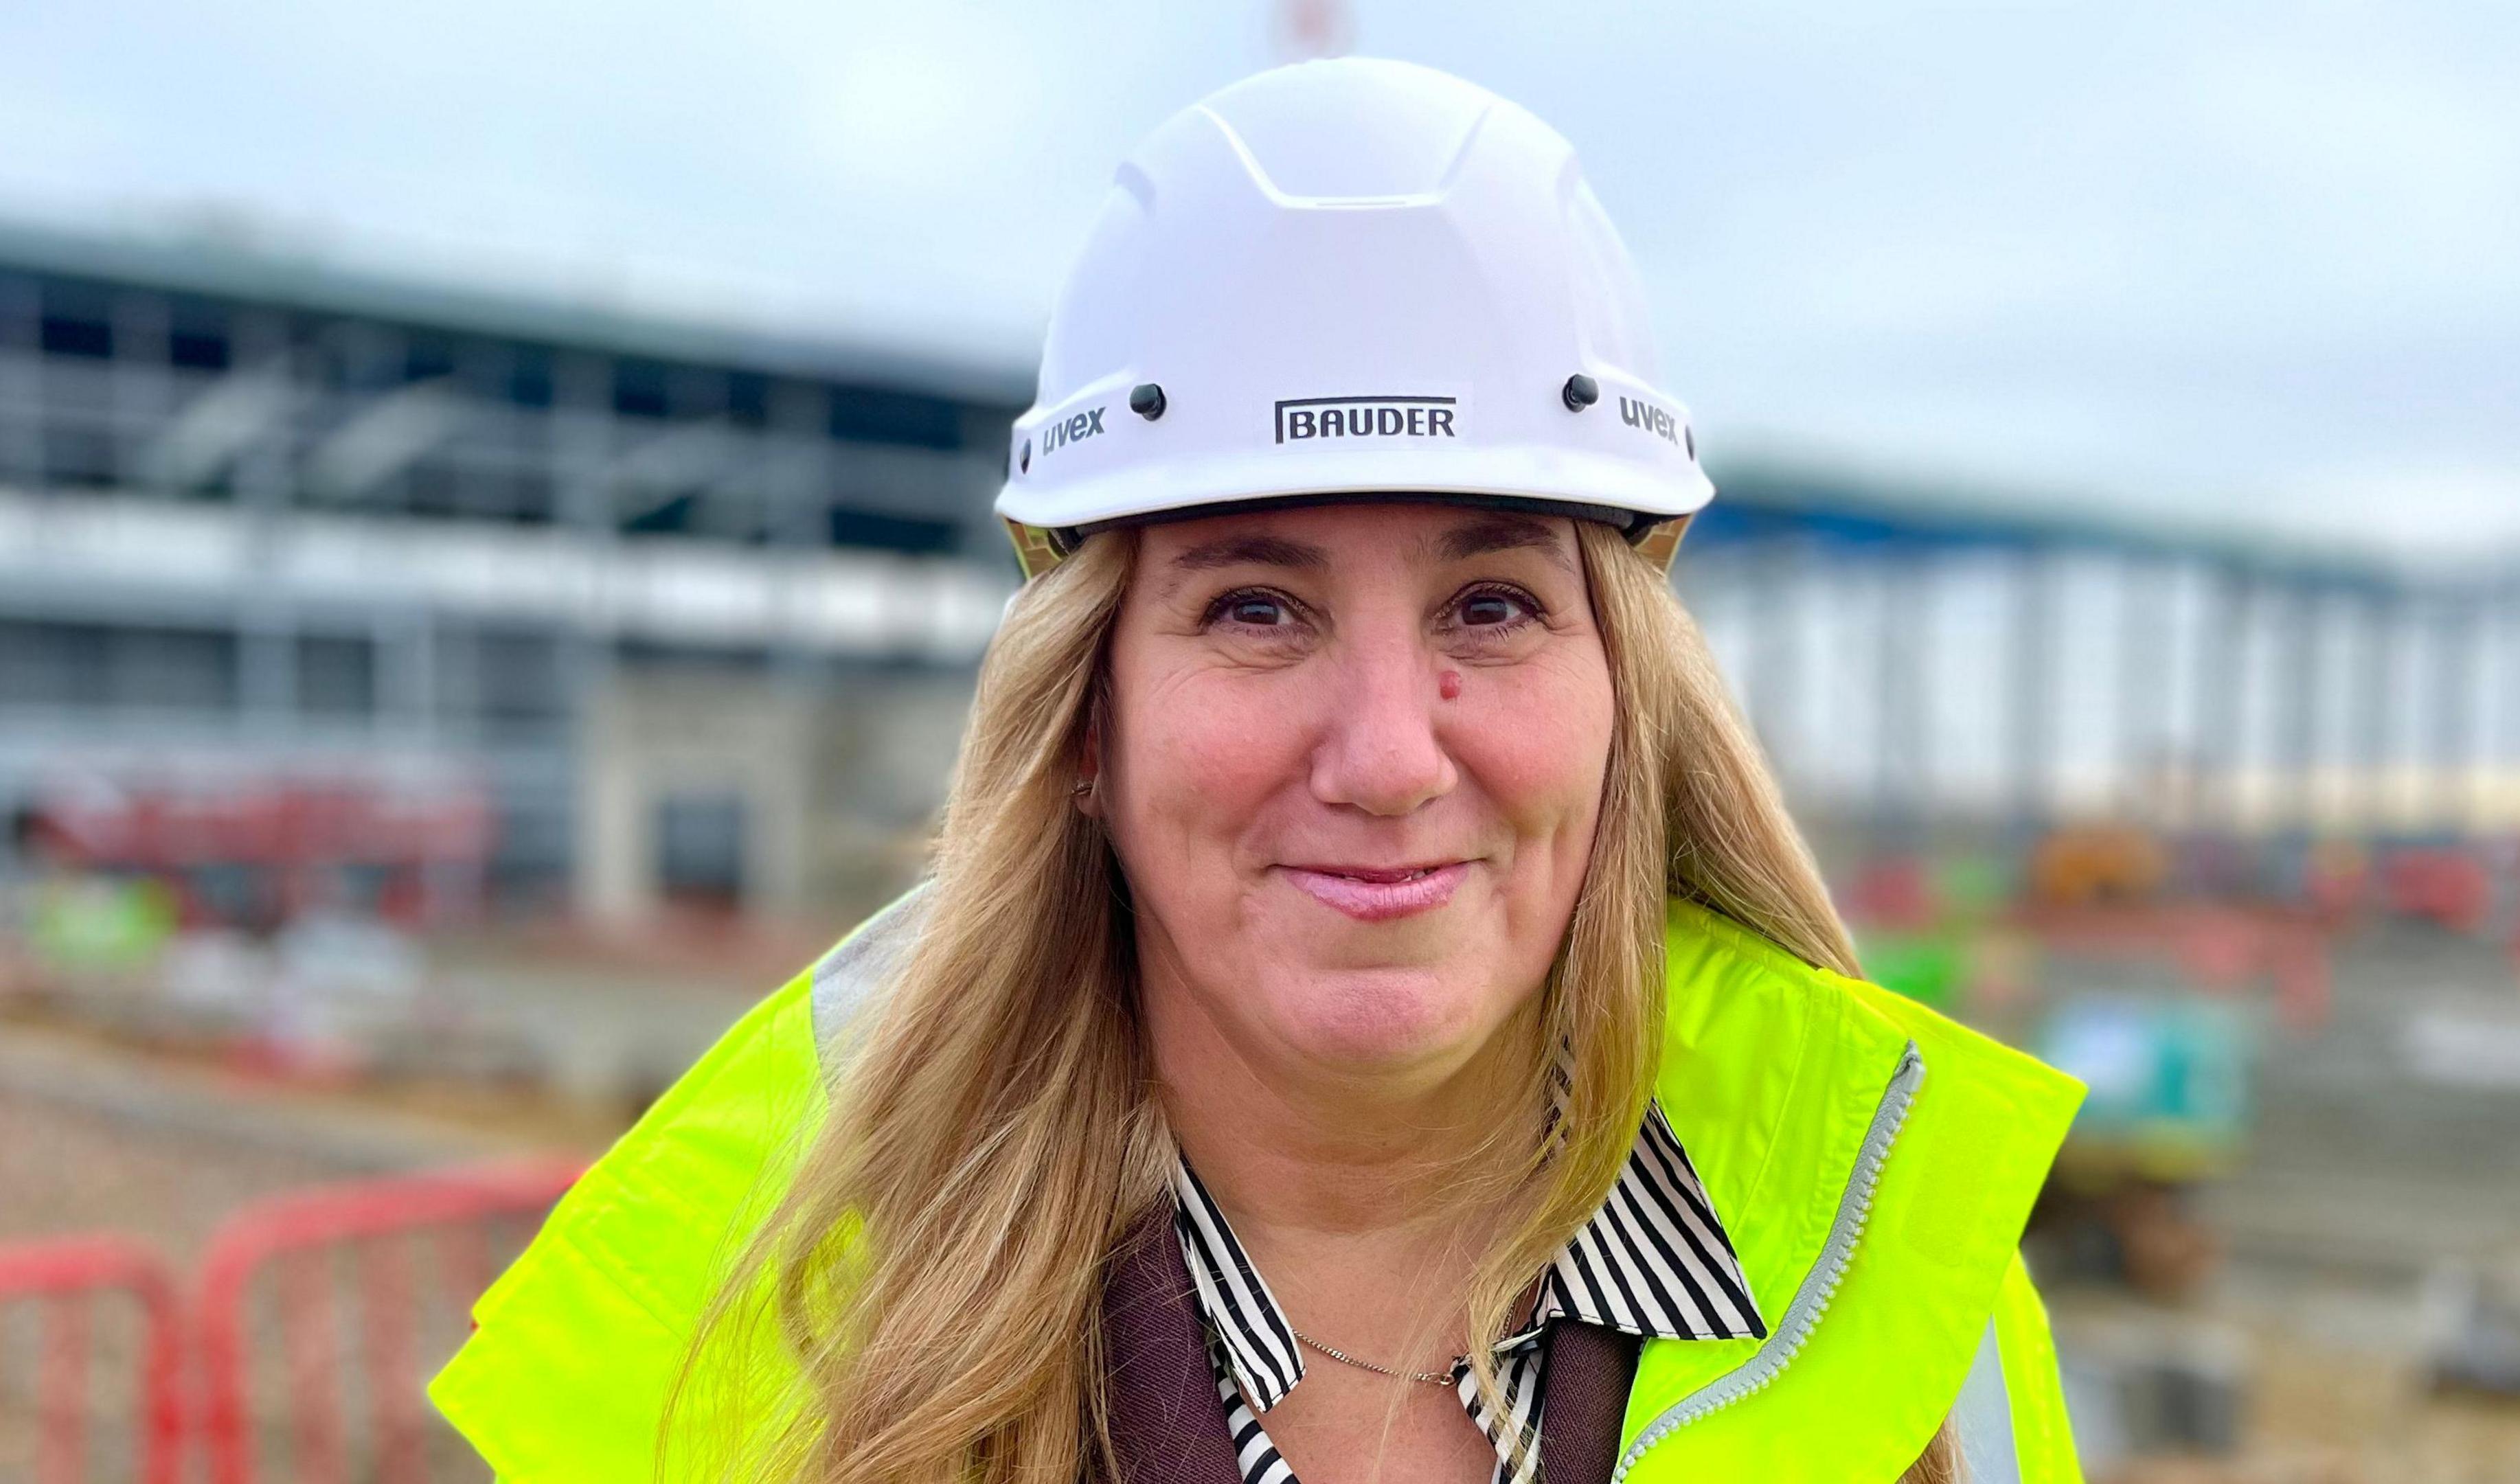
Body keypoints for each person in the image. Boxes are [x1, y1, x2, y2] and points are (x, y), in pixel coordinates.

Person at [431, 58, 2085, 1484]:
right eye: (1255, 608)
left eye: (1493, 604)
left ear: (1625, 707)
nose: (1385, 757)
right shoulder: (749, 1334)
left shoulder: (1903, 1293)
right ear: (1088, 722)